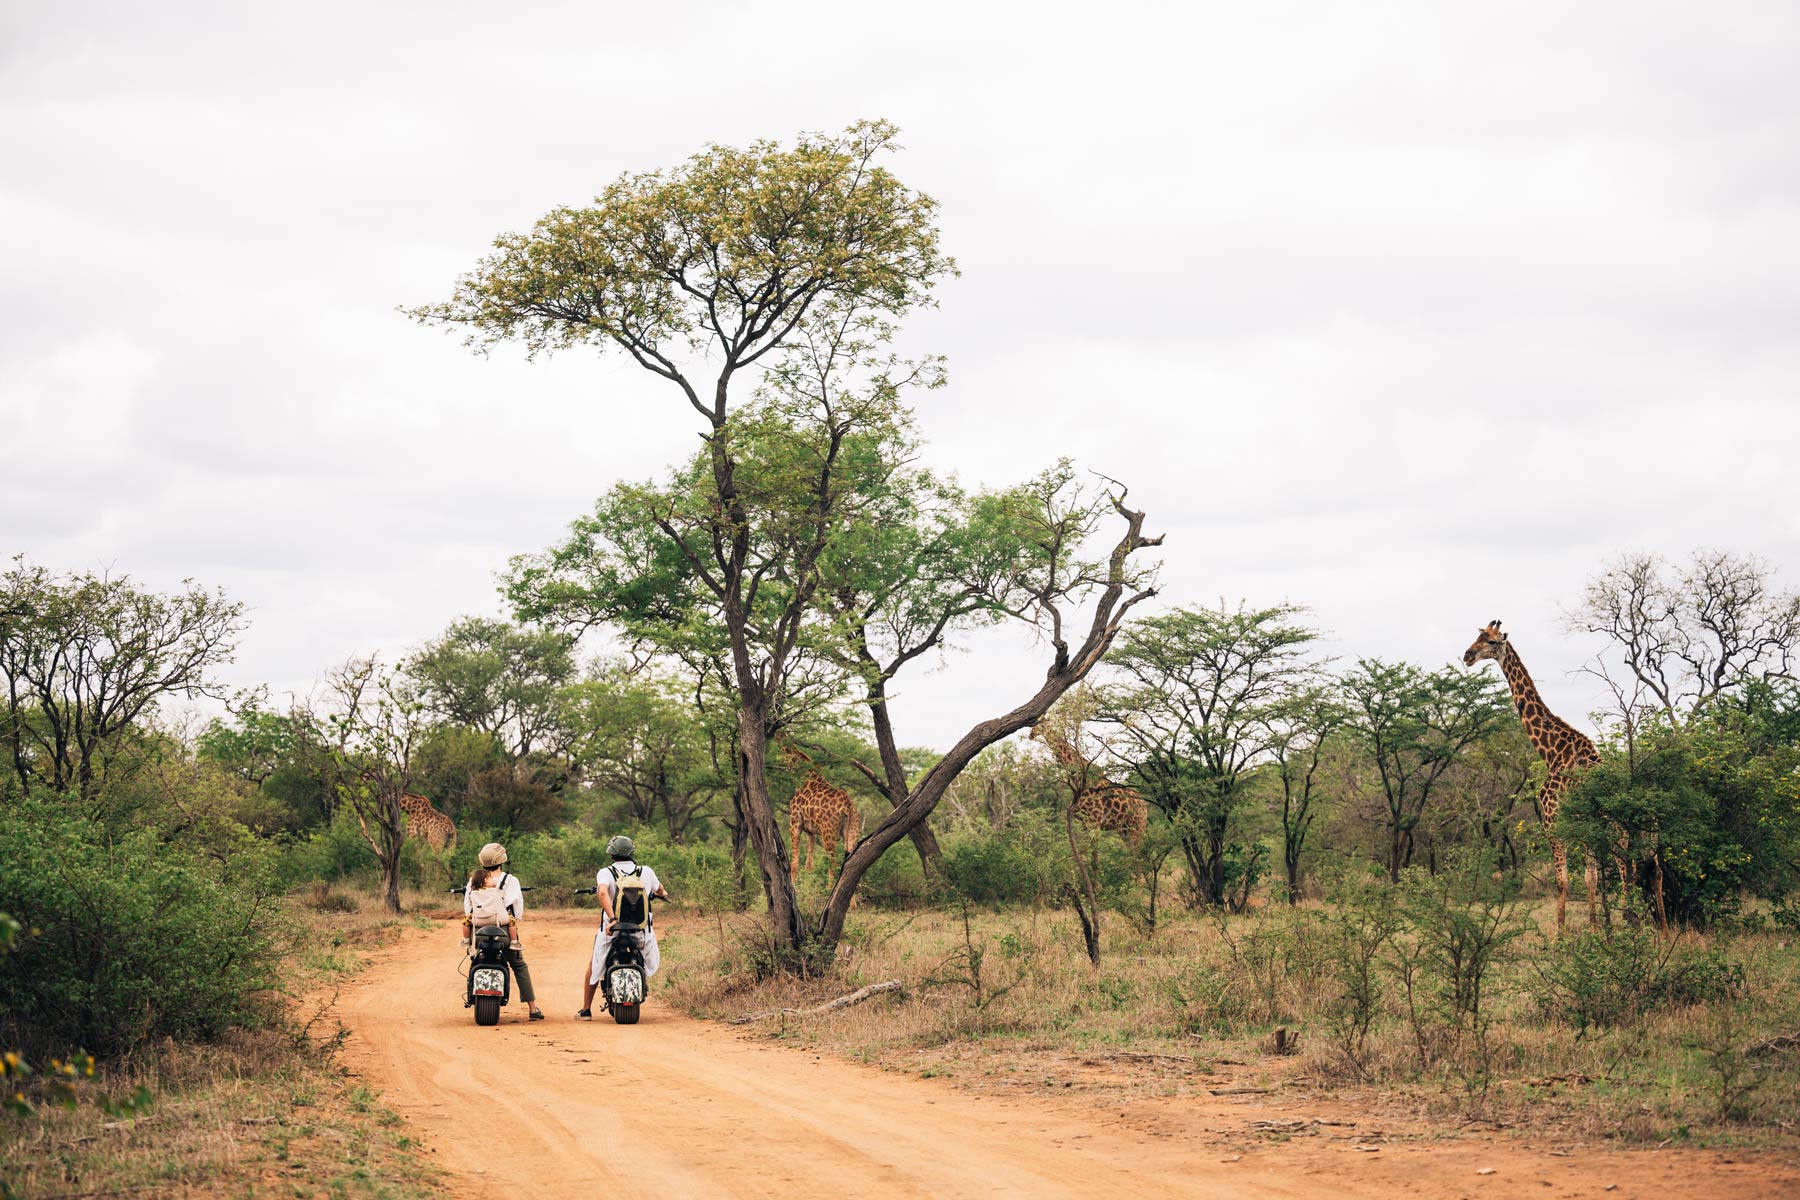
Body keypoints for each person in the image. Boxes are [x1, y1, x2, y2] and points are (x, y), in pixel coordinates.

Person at [579, 835, 666, 1019]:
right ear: (632, 852)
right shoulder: (646, 871)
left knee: (595, 965)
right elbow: (660, 890)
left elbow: (602, 892)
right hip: (641, 932)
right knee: (648, 958)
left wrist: (613, 919)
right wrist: (661, 893)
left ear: (611, 853)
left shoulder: (606, 872)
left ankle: (586, 1009)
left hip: (612, 931)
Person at [463, 842, 544, 1021]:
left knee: (475, 959)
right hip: (504, 932)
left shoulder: (473, 880)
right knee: (519, 966)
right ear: (501, 860)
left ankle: (473, 991)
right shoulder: (511, 880)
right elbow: (518, 910)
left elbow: (468, 908)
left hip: (479, 933)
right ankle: (532, 1008)